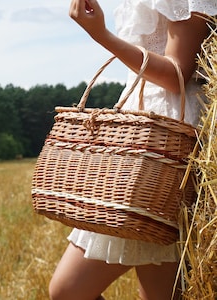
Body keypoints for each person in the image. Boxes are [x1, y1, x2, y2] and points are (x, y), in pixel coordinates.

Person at [48, 1, 217, 300]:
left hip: (168, 141)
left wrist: (101, 35)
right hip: (136, 134)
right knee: (67, 292)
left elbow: (176, 75)